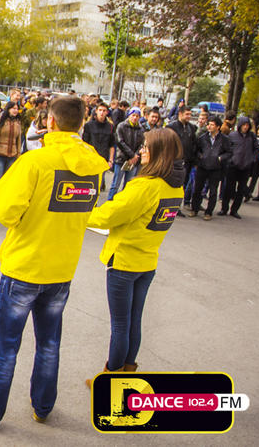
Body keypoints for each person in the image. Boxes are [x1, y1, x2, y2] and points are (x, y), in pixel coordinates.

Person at [0, 97, 109, 432]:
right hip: (62, 267)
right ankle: (42, 406)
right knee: (49, 344)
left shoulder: (35, 161)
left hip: (25, 266)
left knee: (6, 348)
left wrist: (30, 217)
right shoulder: (94, 165)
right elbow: (86, 209)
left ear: (50, 122)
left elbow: (3, 209)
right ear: (82, 123)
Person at [85, 128, 185, 380]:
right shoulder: (175, 188)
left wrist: (80, 212)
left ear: (160, 152)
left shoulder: (144, 187)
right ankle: (128, 370)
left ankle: (111, 378)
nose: (142, 151)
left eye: (146, 147)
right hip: (147, 262)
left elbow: (109, 215)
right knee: (133, 321)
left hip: (124, 262)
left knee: (120, 325)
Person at [189, 117, 231, 220]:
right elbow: (197, 150)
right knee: (197, 189)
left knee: (213, 191)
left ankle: (209, 212)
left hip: (216, 168)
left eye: (212, 125)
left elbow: (229, 152)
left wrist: (220, 158)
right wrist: (200, 157)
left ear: (218, 127)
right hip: (203, 166)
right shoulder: (202, 138)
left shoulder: (224, 139)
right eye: (208, 124)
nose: (209, 126)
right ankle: (194, 209)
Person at [220, 117, 258, 218]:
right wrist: (230, 159)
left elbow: (256, 149)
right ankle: (224, 208)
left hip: (245, 167)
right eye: (244, 125)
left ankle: (234, 210)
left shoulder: (252, 136)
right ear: (240, 125)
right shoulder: (232, 135)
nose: (245, 127)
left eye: (247, 125)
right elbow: (226, 148)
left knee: (241, 190)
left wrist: (252, 159)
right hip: (233, 166)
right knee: (229, 188)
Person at [0, 101, 23, 212]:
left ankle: (1, 204)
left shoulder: (18, 122)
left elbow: (18, 140)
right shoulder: (1, 120)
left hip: (12, 154)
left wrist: (18, 155)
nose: (15, 110)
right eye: (13, 108)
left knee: (7, 181)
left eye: (17, 108)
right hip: (0, 154)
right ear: (8, 109)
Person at [108, 108, 145, 201]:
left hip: (134, 161)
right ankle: (110, 200)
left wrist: (136, 156)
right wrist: (132, 155)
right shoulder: (121, 126)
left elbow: (142, 144)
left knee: (128, 184)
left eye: (137, 116)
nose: (135, 118)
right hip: (121, 159)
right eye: (133, 115)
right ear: (129, 115)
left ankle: (124, 202)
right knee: (116, 184)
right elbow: (120, 142)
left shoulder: (141, 129)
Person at [166, 105, 197, 212]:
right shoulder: (171, 127)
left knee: (182, 185)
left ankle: (176, 207)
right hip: (174, 162)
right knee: (171, 184)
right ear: (180, 114)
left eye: (190, 114)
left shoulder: (191, 128)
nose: (189, 117)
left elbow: (193, 144)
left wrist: (193, 160)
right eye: (187, 114)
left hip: (187, 162)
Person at [82, 103, 115, 192]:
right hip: (91, 158)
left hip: (103, 159)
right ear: (96, 111)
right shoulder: (89, 125)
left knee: (98, 185)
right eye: (100, 110)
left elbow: (112, 145)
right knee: (89, 184)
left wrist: (111, 160)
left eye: (104, 111)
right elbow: (84, 143)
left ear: (107, 112)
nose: (102, 113)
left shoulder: (110, 126)